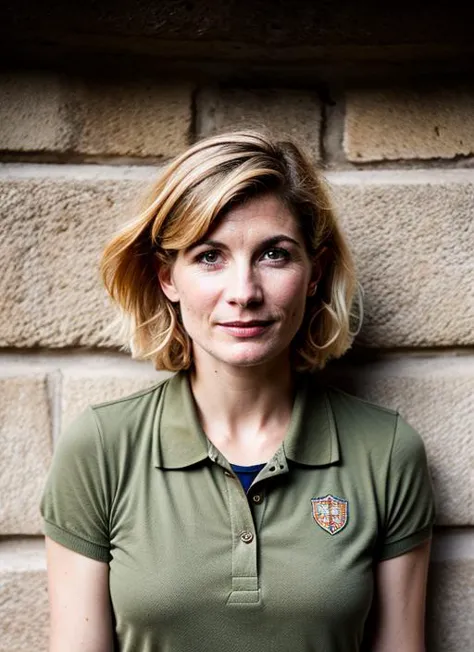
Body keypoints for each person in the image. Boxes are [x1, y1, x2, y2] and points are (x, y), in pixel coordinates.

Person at [40, 130, 435, 652]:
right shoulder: (100, 449)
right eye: (209, 256)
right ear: (167, 279)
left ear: (313, 273)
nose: (244, 293)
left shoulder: (385, 452)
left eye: (274, 254)